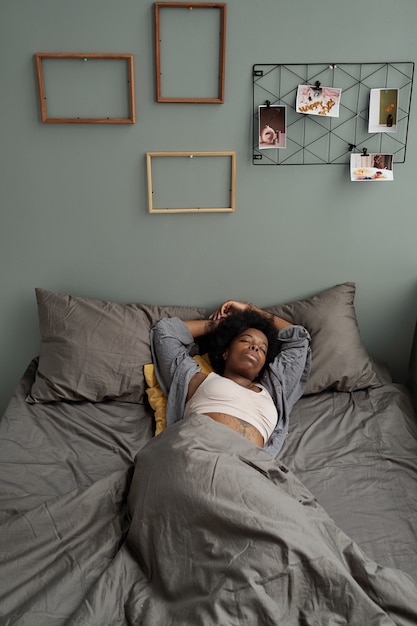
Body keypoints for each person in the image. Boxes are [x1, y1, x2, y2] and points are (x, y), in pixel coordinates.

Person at [150, 299, 311, 456]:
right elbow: (166, 332)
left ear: (262, 367)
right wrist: (222, 326)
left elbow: (298, 339)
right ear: (225, 352)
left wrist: (250, 310)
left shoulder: (274, 390)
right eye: (245, 340)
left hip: (250, 470)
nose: (255, 347)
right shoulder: (196, 380)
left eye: (262, 349)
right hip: (200, 454)